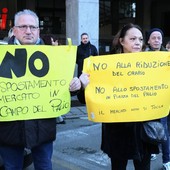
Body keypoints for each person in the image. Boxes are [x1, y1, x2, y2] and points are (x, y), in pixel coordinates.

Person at [0, 9, 81, 170]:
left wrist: (75, 86)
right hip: (9, 130)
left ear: (38, 30)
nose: (28, 31)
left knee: (44, 166)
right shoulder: (1, 55)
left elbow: (63, 88)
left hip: (43, 128)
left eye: (33, 27)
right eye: (23, 27)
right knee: (11, 167)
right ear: (14, 30)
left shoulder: (55, 56)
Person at [78, 23, 160, 170]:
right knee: (118, 166)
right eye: (133, 38)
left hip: (143, 130)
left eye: (140, 39)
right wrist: (83, 86)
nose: (137, 43)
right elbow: (86, 98)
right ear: (122, 41)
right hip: (118, 130)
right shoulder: (106, 66)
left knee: (143, 167)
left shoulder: (151, 65)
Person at [146, 28, 170, 170]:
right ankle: (152, 152)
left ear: (162, 40)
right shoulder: (140, 56)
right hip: (146, 100)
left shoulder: (167, 57)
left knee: (163, 130)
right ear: (148, 40)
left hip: (163, 100)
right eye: (153, 38)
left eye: (159, 38)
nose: (156, 40)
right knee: (149, 128)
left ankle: (167, 160)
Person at [42, 34, 66, 124]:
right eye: (52, 41)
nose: (55, 43)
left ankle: (58, 117)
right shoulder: (46, 53)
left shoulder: (55, 52)